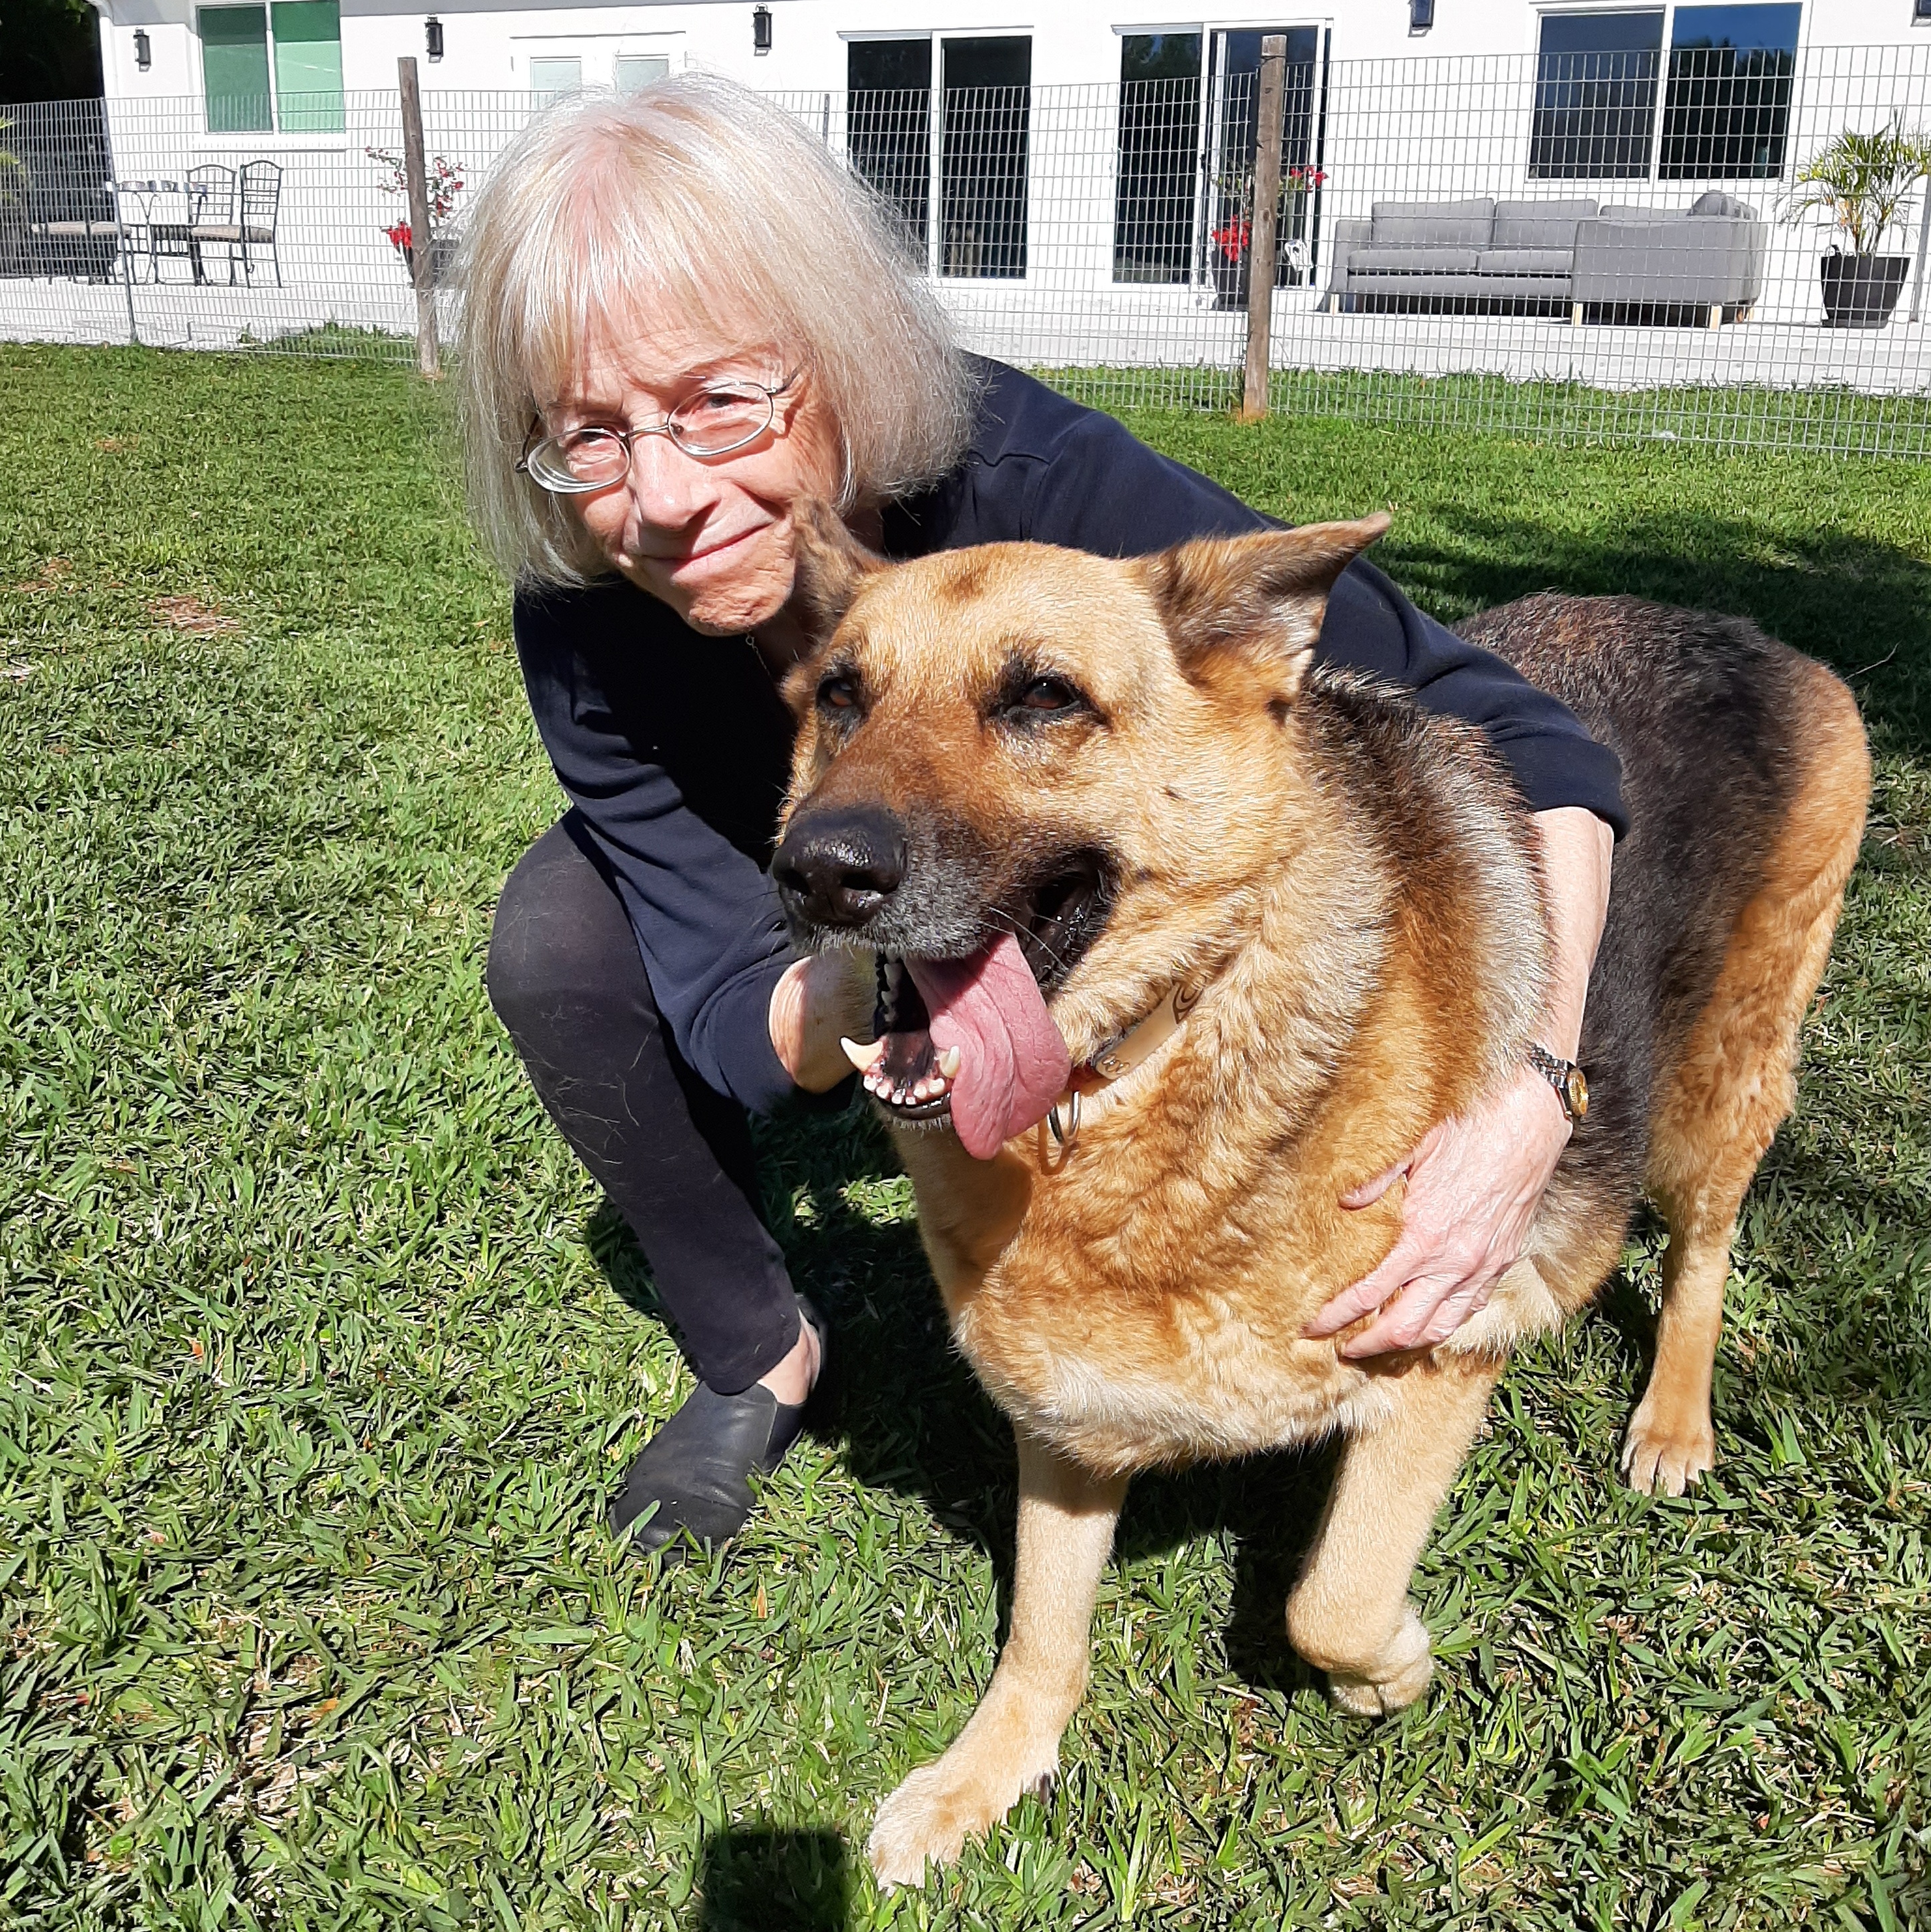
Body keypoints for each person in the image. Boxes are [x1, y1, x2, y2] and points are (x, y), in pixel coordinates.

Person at [457, 74, 1621, 1559]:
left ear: (837, 349)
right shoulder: (588, 625)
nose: (667, 497)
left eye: (717, 401)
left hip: (1020, 863)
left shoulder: (1043, 483)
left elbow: (1538, 742)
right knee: (556, 936)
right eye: (593, 438)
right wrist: (869, 951)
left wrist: (1535, 1087)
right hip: (817, 890)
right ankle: (758, 1349)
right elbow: (732, 1021)